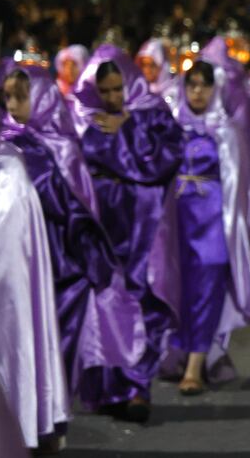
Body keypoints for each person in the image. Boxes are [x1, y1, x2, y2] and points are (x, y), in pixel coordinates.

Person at [1, 66, 143, 402]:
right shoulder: (6, 144)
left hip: (60, 256)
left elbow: (78, 208)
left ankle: (54, 403)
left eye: (21, 97)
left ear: (42, 99)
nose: (11, 105)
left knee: (60, 330)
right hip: (19, 252)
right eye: (7, 97)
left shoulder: (63, 148)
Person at [73, 45, 183, 423]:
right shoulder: (79, 119)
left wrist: (130, 126)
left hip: (142, 221)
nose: (112, 98)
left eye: (118, 89)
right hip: (99, 221)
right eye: (104, 91)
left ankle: (138, 386)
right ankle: (110, 389)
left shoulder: (152, 115)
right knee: (104, 300)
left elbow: (168, 157)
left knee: (141, 299)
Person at [164, 60, 250, 394]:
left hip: (214, 220)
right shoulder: (172, 126)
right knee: (181, 289)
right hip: (177, 221)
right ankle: (180, 352)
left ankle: (194, 365)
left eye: (204, 84)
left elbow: (240, 183)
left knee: (207, 286)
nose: (198, 91)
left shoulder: (226, 130)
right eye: (192, 84)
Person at [0, 100, 71, 453]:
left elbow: (10, 263)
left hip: (5, 291)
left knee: (12, 339)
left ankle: (22, 425)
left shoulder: (11, 169)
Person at [135, 38, 178, 105]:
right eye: (144, 65)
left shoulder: (176, 92)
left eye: (152, 65)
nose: (147, 70)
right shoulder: (140, 92)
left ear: (162, 65)